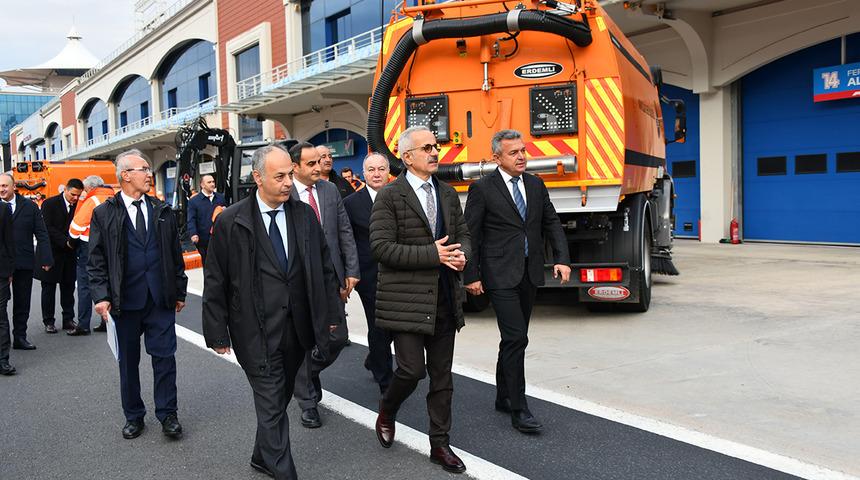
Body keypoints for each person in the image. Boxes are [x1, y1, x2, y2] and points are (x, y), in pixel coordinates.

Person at [203, 144, 342, 479]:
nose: (287, 183)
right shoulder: (231, 221)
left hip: (297, 330)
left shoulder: (304, 216)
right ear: (257, 178)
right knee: (270, 399)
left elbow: (323, 270)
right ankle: (283, 470)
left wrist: (331, 318)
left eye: (290, 175)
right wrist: (216, 332)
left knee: (277, 399)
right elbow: (216, 279)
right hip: (254, 330)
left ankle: (261, 455)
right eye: (279, 176)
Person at [371, 126, 471, 474]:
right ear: (407, 156)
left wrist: (461, 257)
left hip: (444, 298)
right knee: (411, 370)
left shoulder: (446, 193)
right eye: (426, 147)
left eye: (436, 145)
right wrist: (433, 254)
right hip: (406, 302)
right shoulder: (390, 196)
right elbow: (381, 249)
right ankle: (387, 408)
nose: (435, 151)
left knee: (442, 378)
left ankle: (440, 445)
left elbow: (463, 236)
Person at [464, 129, 571, 434]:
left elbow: (550, 221)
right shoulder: (482, 189)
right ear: (497, 157)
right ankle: (519, 409)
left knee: (515, 336)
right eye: (514, 152)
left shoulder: (536, 185)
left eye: (523, 150)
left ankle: (502, 395)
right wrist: (471, 275)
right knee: (516, 338)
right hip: (499, 274)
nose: (522, 156)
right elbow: (472, 233)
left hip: (530, 271)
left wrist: (561, 258)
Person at [88, 149, 187, 440]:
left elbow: (174, 255)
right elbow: (95, 260)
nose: (148, 174)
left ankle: (168, 414)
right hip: (124, 303)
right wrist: (101, 296)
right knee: (128, 363)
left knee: (165, 359)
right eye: (143, 169)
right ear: (125, 175)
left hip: (160, 301)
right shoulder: (104, 213)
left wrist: (179, 290)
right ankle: (134, 416)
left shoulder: (162, 211)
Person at [288, 142, 359, 428]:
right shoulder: (285, 193)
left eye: (320, 162)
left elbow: (344, 230)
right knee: (304, 339)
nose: (319, 167)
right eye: (311, 164)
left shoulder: (329, 191)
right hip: (297, 280)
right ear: (295, 167)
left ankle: (306, 374)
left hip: (330, 277)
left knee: (337, 337)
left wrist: (351, 270)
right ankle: (307, 402)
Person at [343, 153, 393, 393]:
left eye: (381, 169)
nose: (376, 174)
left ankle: (375, 357)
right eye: (371, 170)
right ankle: (385, 380)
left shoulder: (400, 197)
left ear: (388, 172)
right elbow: (347, 240)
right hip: (369, 274)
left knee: (396, 325)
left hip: (399, 273)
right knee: (379, 324)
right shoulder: (352, 203)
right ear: (363, 174)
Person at [0, 172, 53, 351]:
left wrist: (46, 257)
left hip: (23, 260)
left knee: (22, 302)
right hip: (1, 263)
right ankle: (3, 340)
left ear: (14, 187)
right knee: (2, 303)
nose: (1, 189)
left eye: (5, 186)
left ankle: (20, 337)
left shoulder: (29, 207)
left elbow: (41, 232)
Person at [69, 175, 115, 334]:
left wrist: (71, 241)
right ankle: (106, 321)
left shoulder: (92, 200)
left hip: (89, 247)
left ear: (89, 188)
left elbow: (76, 226)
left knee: (85, 285)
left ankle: (83, 324)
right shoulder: (115, 197)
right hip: (112, 246)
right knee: (108, 283)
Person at [37, 179, 83, 334]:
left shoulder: (79, 206)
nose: (75, 198)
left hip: (70, 254)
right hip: (51, 252)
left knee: (68, 288)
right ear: (66, 190)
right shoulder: (49, 204)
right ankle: (48, 321)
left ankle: (68, 319)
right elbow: (47, 228)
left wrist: (72, 244)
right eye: (73, 194)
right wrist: (66, 242)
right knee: (48, 289)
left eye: (78, 195)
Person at [186, 174, 225, 264]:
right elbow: (191, 219)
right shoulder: (194, 201)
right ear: (202, 185)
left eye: (213, 182)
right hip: (204, 240)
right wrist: (193, 234)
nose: (212, 184)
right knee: (208, 265)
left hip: (220, 238)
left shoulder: (220, 198)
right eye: (209, 182)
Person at [0, 196, 15, 375]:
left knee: (1, 316)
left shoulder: (3, 209)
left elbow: (9, 240)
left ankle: (3, 359)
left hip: (1, 271)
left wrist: (10, 269)